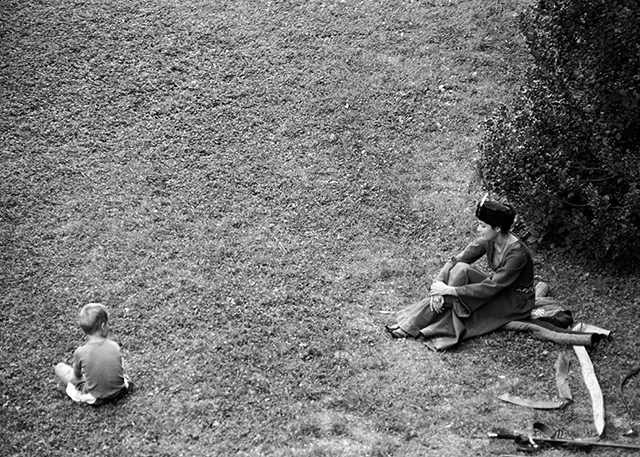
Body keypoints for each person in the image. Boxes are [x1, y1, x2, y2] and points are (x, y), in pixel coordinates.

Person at [386, 196, 535, 350]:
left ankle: (409, 325)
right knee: (461, 269)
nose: (478, 229)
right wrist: (438, 285)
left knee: (457, 301)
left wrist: (451, 290)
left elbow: (492, 287)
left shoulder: (517, 254)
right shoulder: (489, 240)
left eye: (483, 226)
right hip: (499, 289)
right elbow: (455, 261)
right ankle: (411, 323)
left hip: (516, 301)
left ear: (497, 228)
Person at [55, 303, 132, 405]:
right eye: (108, 324)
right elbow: (121, 369)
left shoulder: (80, 352)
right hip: (120, 390)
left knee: (60, 368)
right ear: (103, 326)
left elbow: (77, 375)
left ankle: (68, 389)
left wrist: (82, 378)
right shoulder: (114, 346)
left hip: (96, 397)